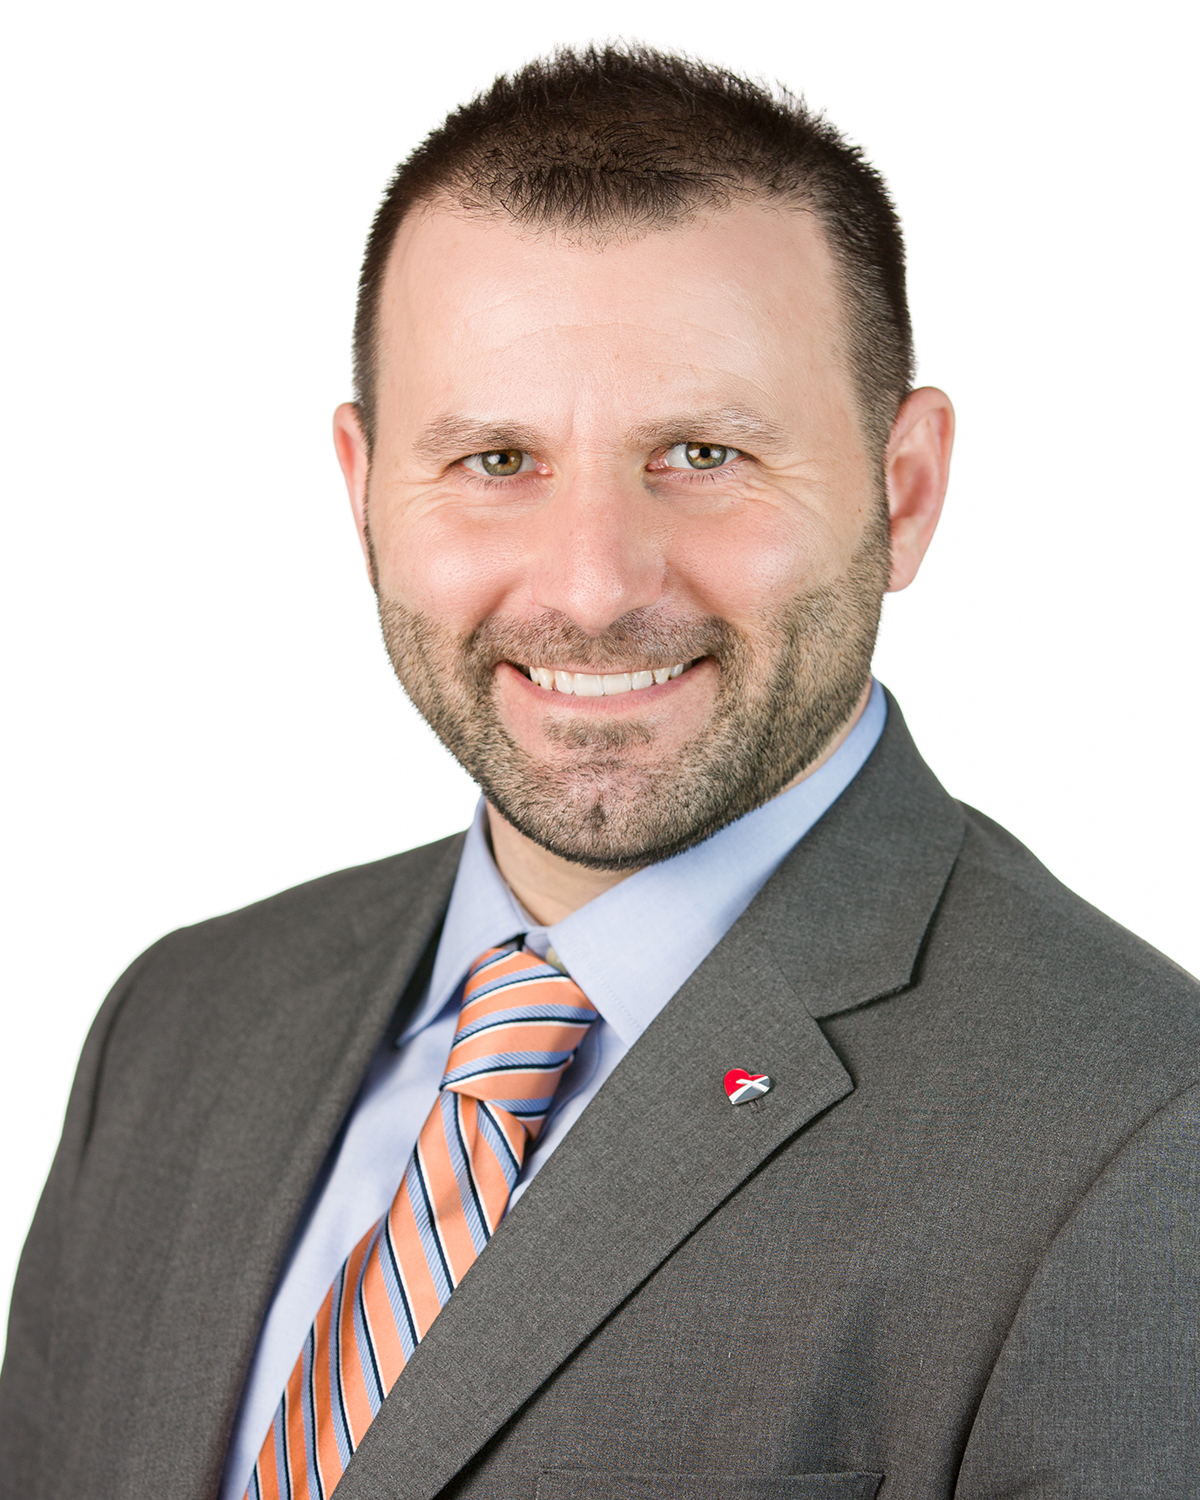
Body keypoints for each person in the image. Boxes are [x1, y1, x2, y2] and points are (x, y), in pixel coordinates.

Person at [1, 43, 1196, 1500]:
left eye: (701, 453)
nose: (590, 586)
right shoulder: (179, 1027)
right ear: (363, 493)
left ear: (905, 490)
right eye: (495, 462)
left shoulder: (1143, 1142)